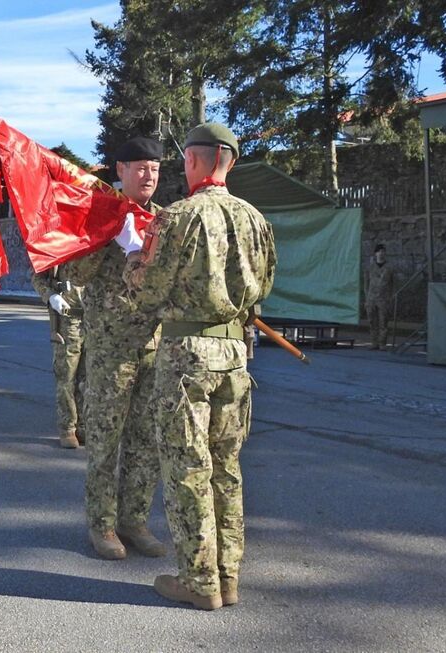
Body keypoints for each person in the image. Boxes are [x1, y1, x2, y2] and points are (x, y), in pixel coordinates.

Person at [120, 123, 276, 610]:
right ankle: (228, 577)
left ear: (194, 160)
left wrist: (132, 258)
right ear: (229, 160)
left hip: (187, 355)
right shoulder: (254, 218)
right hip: (235, 355)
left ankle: (198, 580)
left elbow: (146, 290)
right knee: (226, 468)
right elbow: (265, 285)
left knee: (188, 468)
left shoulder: (178, 216)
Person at [68, 136, 166, 561]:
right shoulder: (102, 214)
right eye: (141, 167)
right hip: (111, 348)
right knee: (106, 441)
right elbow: (78, 270)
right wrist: (111, 234)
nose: (149, 176)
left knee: (146, 440)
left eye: (156, 169)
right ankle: (102, 525)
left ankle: (135, 520)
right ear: (120, 170)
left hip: (156, 344)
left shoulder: (165, 219)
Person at [31, 264, 86, 449]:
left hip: (94, 319)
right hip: (67, 319)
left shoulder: (97, 242)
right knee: (67, 375)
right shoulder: (59, 242)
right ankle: (68, 428)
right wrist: (51, 296)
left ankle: (85, 426)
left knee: (90, 376)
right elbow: (37, 277)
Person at [364, 244, 393, 350]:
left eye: (383, 251)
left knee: (383, 321)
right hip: (371, 298)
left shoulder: (389, 268)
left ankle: (382, 343)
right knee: (372, 321)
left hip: (384, 298)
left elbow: (393, 283)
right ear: (375, 253)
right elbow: (366, 283)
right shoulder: (370, 267)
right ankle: (374, 342)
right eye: (379, 251)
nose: (381, 253)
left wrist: (391, 297)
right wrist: (367, 298)